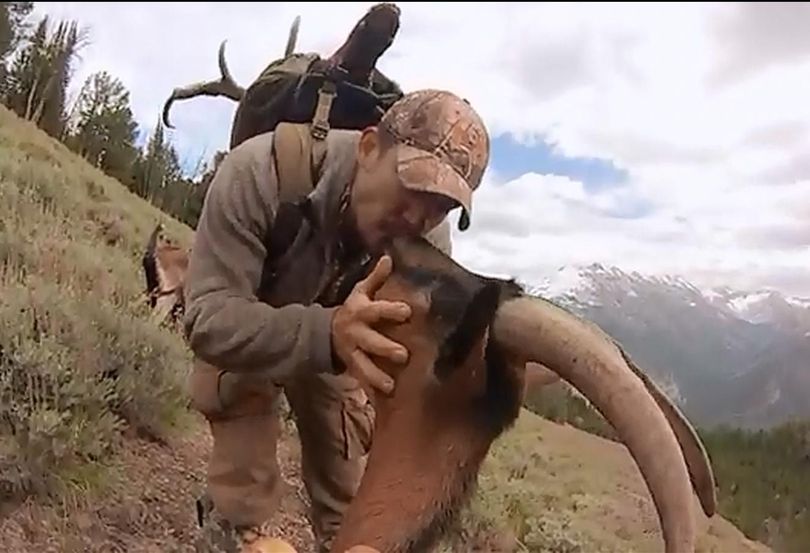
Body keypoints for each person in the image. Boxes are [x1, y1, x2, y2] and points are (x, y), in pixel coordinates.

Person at [182, 88, 491, 553]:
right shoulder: (259, 173)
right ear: (369, 148)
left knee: (353, 522)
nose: (418, 217)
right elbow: (207, 318)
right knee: (242, 517)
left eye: (441, 205)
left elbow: (409, 358)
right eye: (414, 185)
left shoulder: (429, 244)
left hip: (341, 356)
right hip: (249, 339)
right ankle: (233, 530)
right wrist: (327, 332)